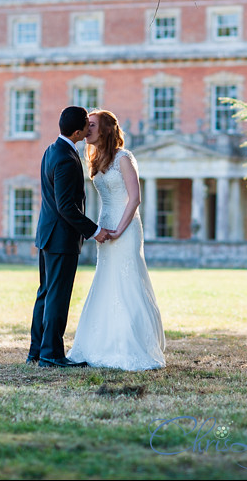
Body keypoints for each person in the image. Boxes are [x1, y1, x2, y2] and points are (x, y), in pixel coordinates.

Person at [68, 109, 166, 370]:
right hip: (105, 225)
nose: (86, 129)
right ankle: (98, 344)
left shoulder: (124, 158)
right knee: (106, 279)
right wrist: (100, 228)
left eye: (91, 125)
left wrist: (120, 229)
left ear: (106, 130)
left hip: (126, 228)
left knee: (126, 281)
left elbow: (134, 198)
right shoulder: (96, 158)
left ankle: (128, 346)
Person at [28, 106, 111, 368]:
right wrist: (94, 230)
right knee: (57, 296)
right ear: (77, 131)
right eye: (87, 125)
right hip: (61, 238)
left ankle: (37, 352)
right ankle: (51, 354)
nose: (90, 128)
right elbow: (66, 206)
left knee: (45, 293)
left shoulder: (51, 150)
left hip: (48, 235)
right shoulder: (65, 158)